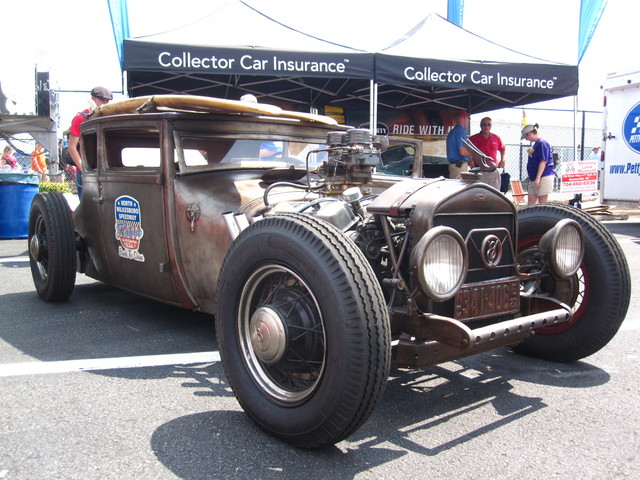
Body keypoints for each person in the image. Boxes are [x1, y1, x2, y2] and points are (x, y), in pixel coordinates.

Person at [68, 86, 113, 198]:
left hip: (106, 170)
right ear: (92, 98)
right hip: (87, 171)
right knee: (87, 206)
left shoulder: (110, 116)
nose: (104, 103)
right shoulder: (80, 118)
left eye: (107, 100)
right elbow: (72, 147)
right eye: (101, 100)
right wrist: (84, 169)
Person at [468, 117, 506, 190]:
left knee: (495, 193)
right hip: (479, 169)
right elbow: (467, 150)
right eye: (484, 125)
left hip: (493, 170)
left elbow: (503, 149)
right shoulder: (473, 138)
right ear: (480, 125)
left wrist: (503, 160)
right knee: (480, 192)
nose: (486, 127)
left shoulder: (496, 138)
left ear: (491, 126)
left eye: (489, 125)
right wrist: (470, 159)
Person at [522, 123, 555, 205]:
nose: (526, 139)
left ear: (530, 134)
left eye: (526, 137)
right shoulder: (536, 144)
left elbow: (543, 161)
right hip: (534, 177)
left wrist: (538, 178)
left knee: (542, 203)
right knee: (531, 203)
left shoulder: (542, 143)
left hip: (542, 176)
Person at [446, 110, 471, 179]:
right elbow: (462, 151)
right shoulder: (461, 131)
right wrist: (473, 153)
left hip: (453, 165)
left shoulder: (452, 131)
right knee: (459, 187)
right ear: (464, 118)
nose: (467, 121)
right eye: (467, 119)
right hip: (459, 166)